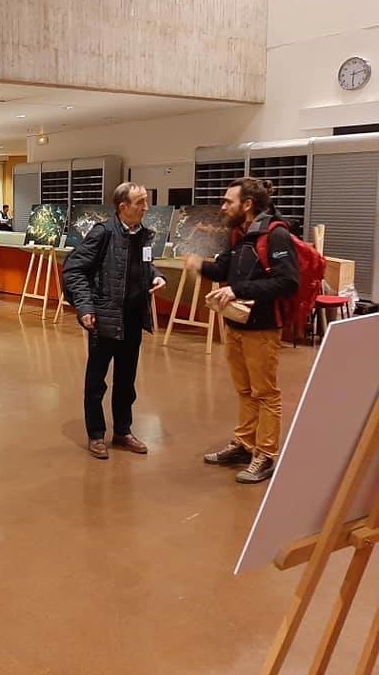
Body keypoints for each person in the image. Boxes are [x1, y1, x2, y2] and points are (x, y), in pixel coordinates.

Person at [185, 177, 299, 484]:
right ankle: (245, 444)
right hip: (235, 324)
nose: (223, 207)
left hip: (262, 329)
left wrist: (237, 290)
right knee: (245, 391)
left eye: (228, 201)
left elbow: (288, 282)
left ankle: (266, 454)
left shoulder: (276, 235)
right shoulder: (238, 234)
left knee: (266, 393)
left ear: (247, 204)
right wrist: (199, 265)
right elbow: (224, 269)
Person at [62, 182, 167, 460]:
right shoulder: (103, 232)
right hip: (104, 319)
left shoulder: (143, 235)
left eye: (146, 201)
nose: (146, 207)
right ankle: (96, 434)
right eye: (140, 202)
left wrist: (156, 275)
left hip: (132, 318)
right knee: (96, 382)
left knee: (126, 380)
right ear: (123, 207)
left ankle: (123, 431)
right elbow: (74, 269)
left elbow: (143, 265)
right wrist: (85, 306)